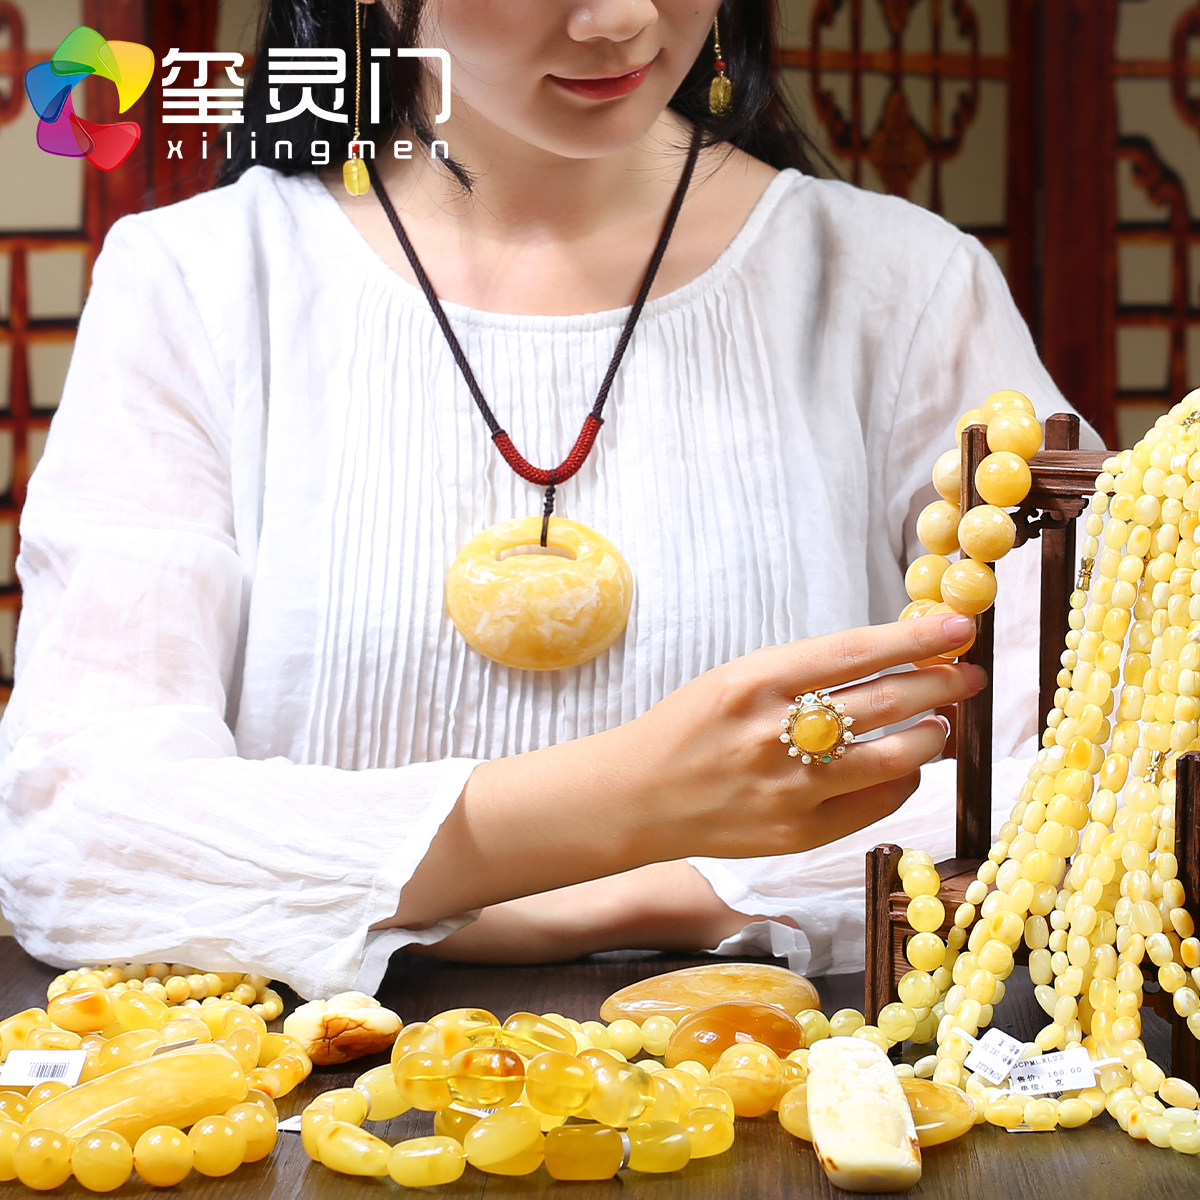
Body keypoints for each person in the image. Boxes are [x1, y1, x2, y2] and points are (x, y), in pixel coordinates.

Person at [0, 0, 1098, 999]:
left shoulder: (900, 284)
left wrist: (607, 901)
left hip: (785, 1090)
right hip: (300, 1107)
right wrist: (618, 805)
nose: (620, 19)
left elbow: (1094, 778)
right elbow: (76, 830)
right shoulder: (199, 281)